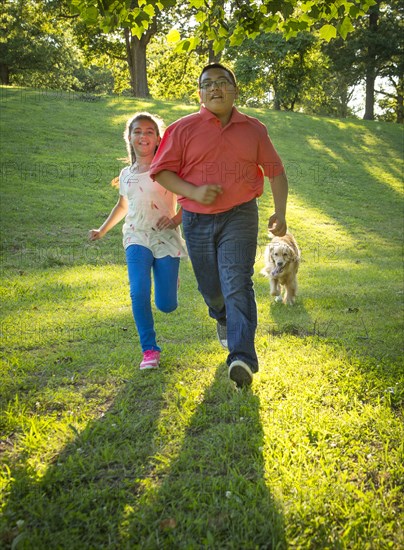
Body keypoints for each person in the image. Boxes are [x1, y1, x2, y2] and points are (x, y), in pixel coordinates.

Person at [150, 63, 288, 388]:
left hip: (240, 215)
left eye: (222, 82)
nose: (215, 88)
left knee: (237, 282)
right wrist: (194, 191)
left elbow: (276, 171)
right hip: (196, 219)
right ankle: (222, 317)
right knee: (212, 290)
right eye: (207, 83)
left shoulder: (254, 129)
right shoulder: (182, 129)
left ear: (234, 90)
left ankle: (242, 358)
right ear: (199, 93)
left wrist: (280, 212)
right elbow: (162, 172)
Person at [89, 112, 187, 370]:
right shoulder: (126, 174)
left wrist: (175, 221)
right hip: (135, 236)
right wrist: (102, 230)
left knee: (166, 305)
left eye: (149, 132)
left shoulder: (168, 170)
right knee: (138, 292)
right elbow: (122, 205)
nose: (143, 136)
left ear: (157, 139)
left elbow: (189, 201)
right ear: (129, 137)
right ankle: (150, 350)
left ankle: (170, 281)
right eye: (137, 131)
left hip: (166, 239)